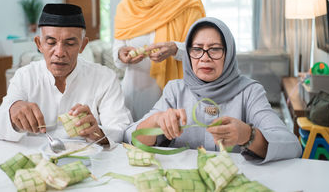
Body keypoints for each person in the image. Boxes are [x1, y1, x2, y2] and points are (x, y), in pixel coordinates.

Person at [125, 17, 302, 163]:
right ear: (188, 53)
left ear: (229, 53)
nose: (205, 58)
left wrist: (249, 135)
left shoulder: (250, 92)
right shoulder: (176, 90)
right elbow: (131, 138)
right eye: (197, 49)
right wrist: (156, 121)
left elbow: (291, 145)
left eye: (215, 49)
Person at [0, 4, 132, 147]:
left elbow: (120, 128)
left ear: (83, 45)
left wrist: (99, 133)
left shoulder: (104, 78)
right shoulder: (25, 76)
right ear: (39, 44)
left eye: (69, 43)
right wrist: (12, 113)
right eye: (51, 42)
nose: (59, 52)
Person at [113, 0, 205, 121]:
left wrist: (174, 49)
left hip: (173, 96)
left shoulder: (184, 3)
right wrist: (121, 55)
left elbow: (201, 50)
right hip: (133, 93)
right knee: (134, 144)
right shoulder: (126, 8)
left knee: (172, 144)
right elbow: (118, 52)